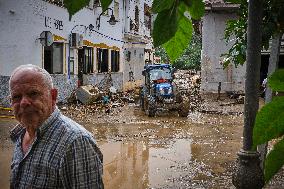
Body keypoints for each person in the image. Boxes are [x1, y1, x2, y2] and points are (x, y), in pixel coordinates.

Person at [9, 64, 104, 188]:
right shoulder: (20, 134)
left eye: (33, 94)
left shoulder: (76, 142)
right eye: (16, 97)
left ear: (53, 96)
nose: (24, 102)